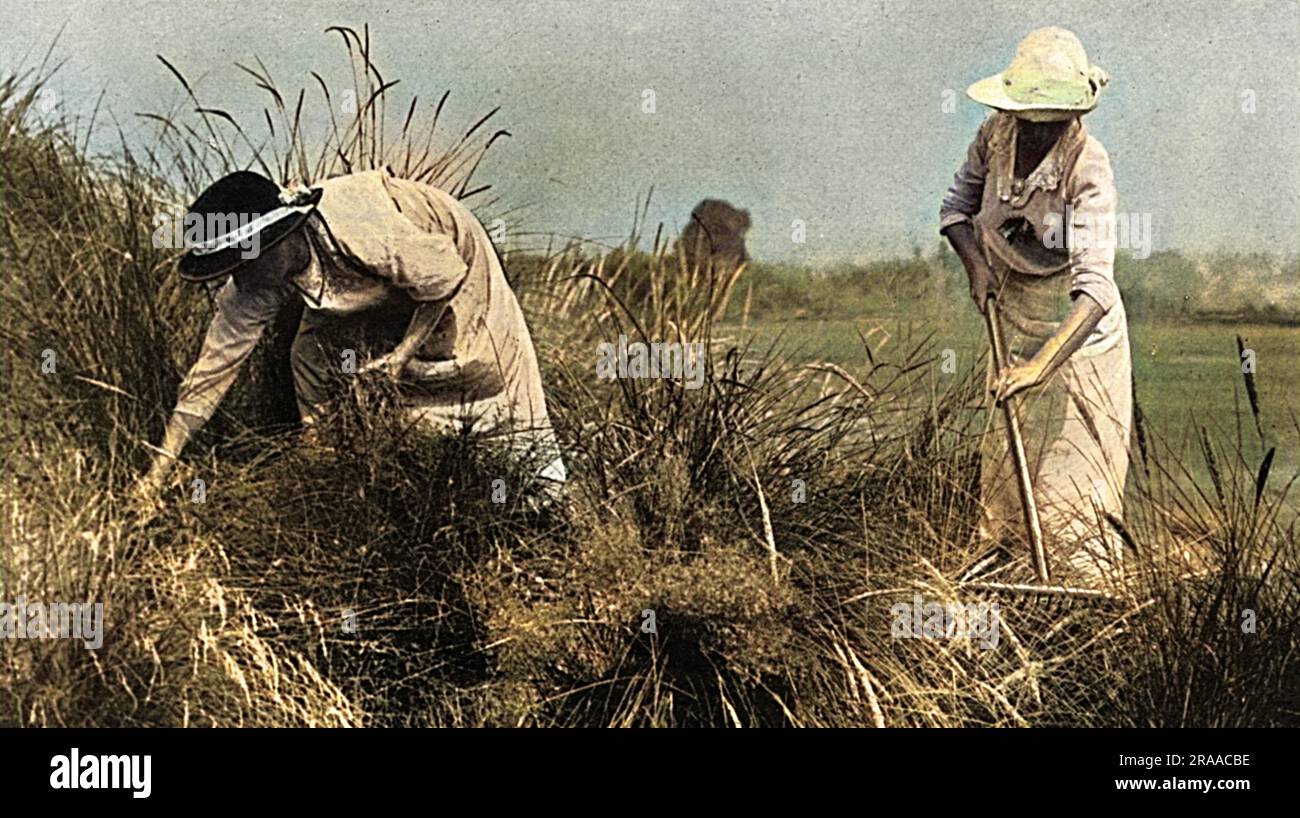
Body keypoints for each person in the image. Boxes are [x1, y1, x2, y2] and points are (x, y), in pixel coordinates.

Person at [134, 168, 567, 502]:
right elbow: (211, 374)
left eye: (242, 263)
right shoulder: (257, 279)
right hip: (374, 284)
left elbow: (442, 278)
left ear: (276, 239)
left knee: (479, 369)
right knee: (310, 356)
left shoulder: (360, 223)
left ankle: (539, 501)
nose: (239, 279)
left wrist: (400, 355)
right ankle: (333, 462)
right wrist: (158, 472)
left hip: (450, 261)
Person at [940, 27, 1132, 585]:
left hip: (1078, 343)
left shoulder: (1088, 166)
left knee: (1070, 503)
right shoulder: (993, 136)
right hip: (1013, 314)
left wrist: (1039, 368)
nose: (1034, 133)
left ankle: (1081, 613)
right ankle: (1011, 600)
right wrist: (978, 267)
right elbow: (956, 211)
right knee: (1006, 490)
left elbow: (1096, 290)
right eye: (1028, 119)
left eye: (1049, 122)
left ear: (1071, 117)